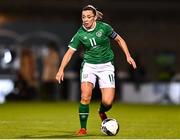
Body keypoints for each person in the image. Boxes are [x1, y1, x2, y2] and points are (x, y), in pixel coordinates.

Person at [56, 5, 137, 136]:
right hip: (89, 65)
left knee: (108, 102)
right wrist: (61, 69)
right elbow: (69, 52)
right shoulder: (80, 34)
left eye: (88, 17)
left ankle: (101, 110)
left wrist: (128, 55)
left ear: (94, 18)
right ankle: (83, 128)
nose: (85, 20)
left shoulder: (104, 27)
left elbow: (119, 39)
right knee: (85, 96)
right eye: (83, 17)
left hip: (106, 66)